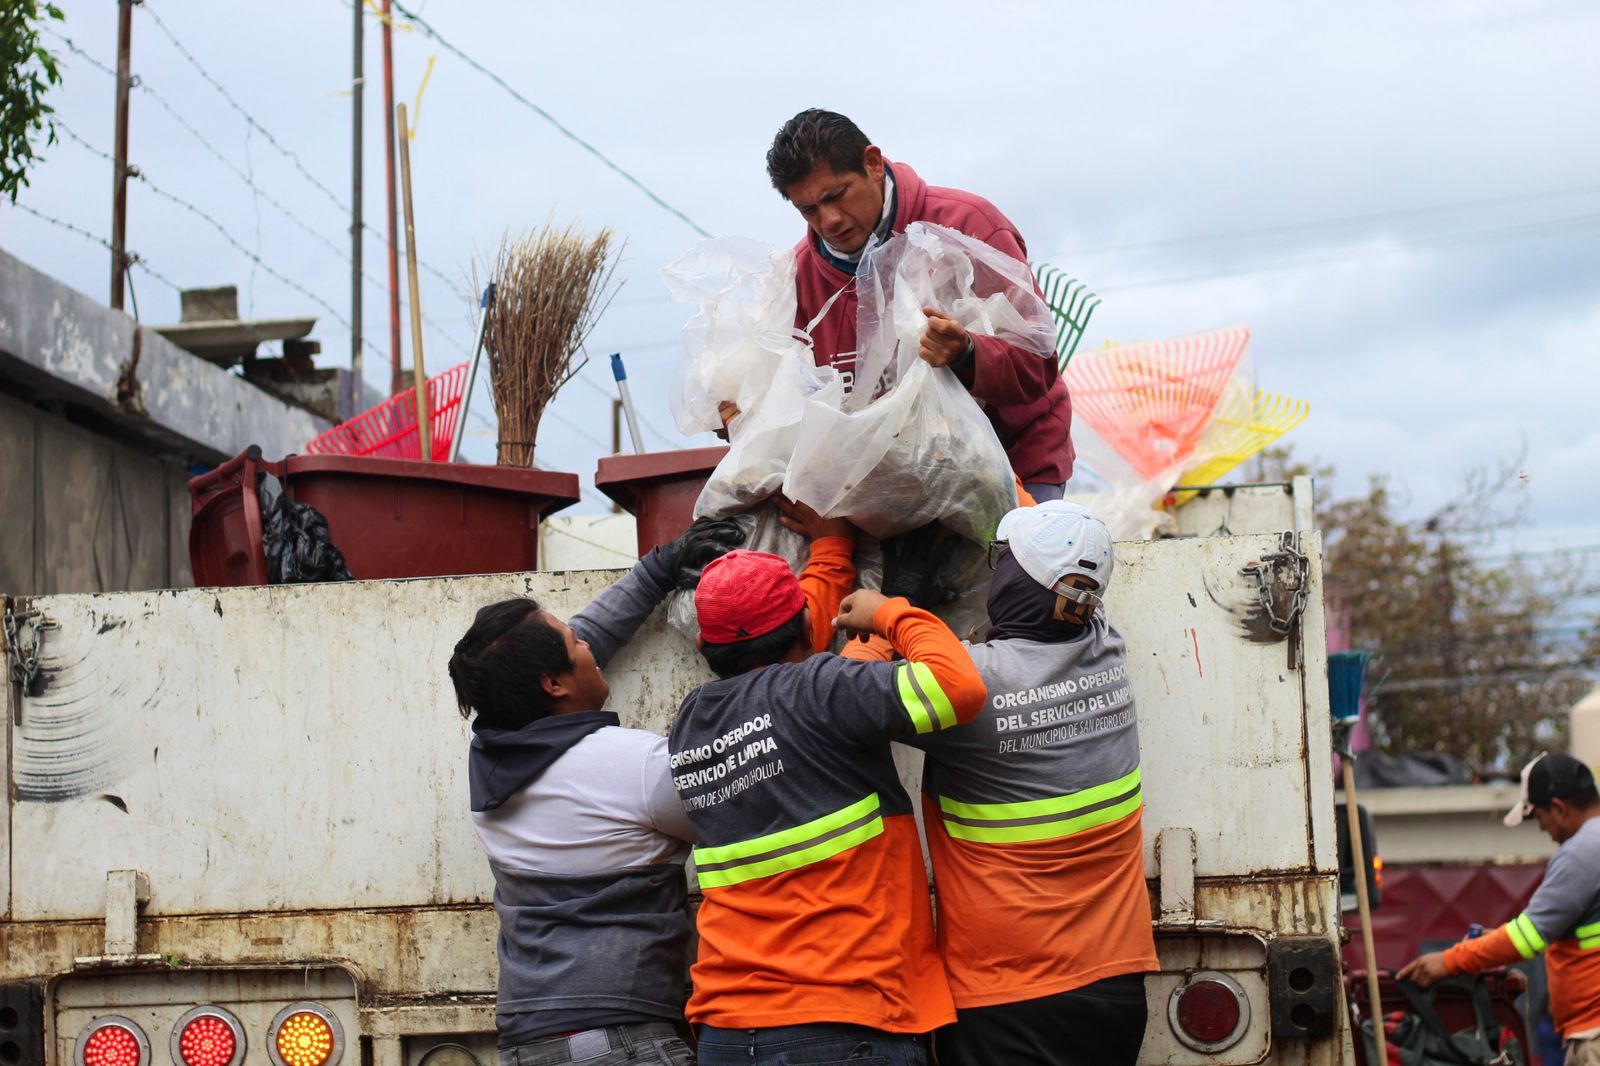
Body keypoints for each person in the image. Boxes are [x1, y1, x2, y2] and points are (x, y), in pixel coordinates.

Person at [847, 500, 1159, 1065]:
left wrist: (893, 610)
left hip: (1010, 998)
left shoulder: (976, 687)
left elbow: (849, 694)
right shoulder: (1104, 646)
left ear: (1014, 581)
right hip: (1117, 988)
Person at [667, 549, 987, 1065]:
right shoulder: (820, 691)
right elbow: (958, 687)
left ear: (704, 645)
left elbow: (814, 702)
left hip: (728, 1031)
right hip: (844, 1019)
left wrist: (863, 631)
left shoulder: (691, 721)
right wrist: (891, 614)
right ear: (809, 624)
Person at [446, 518, 746, 1066]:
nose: (588, 645)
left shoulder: (489, 748)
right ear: (553, 683)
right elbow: (747, 794)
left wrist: (656, 572)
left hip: (526, 1042)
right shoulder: (636, 769)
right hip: (620, 1042)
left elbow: (566, 650)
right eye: (576, 644)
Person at [766, 107, 1073, 501]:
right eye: (809, 210)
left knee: (1021, 541)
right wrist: (748, 409)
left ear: (873, 164)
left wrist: (967, 352)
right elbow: (796, 402)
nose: (829, 221)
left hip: (1015, 462)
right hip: (893, 489)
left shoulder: (968, 227)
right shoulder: (799, 280)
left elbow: (1036, 367)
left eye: (837, 195)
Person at [1398, 752, 1600, 1065]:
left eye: (1538, 817)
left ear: (1559, 808)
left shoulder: (1581, 852)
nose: (1542, 829)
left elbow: (1527, 938)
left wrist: (1449, 961)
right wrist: (1495, 941)